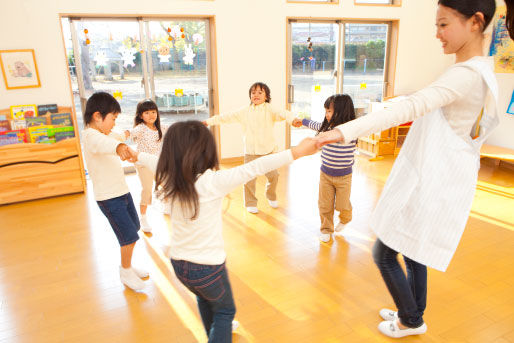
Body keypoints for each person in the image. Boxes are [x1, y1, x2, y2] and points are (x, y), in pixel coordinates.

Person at [315, 0, 513, 338]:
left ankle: (410, 319)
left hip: (433, 179)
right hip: (437, 175)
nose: (436, 34)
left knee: (384, 252)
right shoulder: (480, 70)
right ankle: (412, 311)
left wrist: (339, 131)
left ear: (476, 22)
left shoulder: (466, 75)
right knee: (413, 248)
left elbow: (413, 105)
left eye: (444, 24)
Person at [133, 121, 318, 342]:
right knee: (225, 312)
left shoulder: (167, 172)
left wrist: (134, 154)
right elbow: (256, 167)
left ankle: (214, 334)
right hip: (207, 268)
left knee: (204, 299)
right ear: (205, 150)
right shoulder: (213, 181)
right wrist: (297, 152)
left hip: (180, 265)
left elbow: (151, 160)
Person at [82, 92, 148, 291]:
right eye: (112, 118)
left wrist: (128, 135)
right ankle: (125, 271)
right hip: (108, 198)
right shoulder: (90, 135)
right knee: (128, 237)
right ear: (97, 116)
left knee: (135, 226)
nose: (113, 123)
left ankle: (128, 265)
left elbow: (117, 136)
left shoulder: (105, 133)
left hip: (122, 192)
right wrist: (119, 146)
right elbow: (107, 144)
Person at [203, 82, 297, 214]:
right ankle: (250, 202)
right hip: (251, 152)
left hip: (269, 151)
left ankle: (271, 195)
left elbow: (284, 113)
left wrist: (294, 120)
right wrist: (209, 121)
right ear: (250, 96)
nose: (256, 95)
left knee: (274, 176)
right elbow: (226, 117)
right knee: (249, 179)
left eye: (260, 92)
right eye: (253, 92)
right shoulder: (244, 111)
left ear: (266, 96)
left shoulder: (270, 109)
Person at [292, 94, 357, 243]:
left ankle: (346, 217)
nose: (326, 115)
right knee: (324, 204)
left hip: (344, 176)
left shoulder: (352, 130)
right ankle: (326, 229)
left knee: (342, 204)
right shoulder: (326, 127)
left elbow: (366, 125)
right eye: (326, 111)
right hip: (325, 174)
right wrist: (302, 121)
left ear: (342, 111)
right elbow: (314, 124)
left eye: (329, 111)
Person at [125, 99, 167, 233]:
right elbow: (130, 133)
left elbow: (175, 129)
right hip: (143, 164)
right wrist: (123, 135)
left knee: (167, 183)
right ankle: (143, 217)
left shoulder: (160, 127)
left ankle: (167, 204)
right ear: (140, 116)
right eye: (147, 113)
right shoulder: (141, 128)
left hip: (155, 162)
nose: (151, 115)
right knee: (147, 189)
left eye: (153, 112)